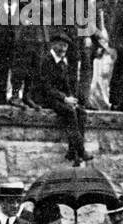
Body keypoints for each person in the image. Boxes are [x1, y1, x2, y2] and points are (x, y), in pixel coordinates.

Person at [30, 29, 93, 164]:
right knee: (69, 112)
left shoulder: (63, 63)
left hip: (59, 98)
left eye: (66, 46)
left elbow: (67, 85)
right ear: (54, 45)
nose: (63, 48)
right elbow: (46, 87)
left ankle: (72, 151)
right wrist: (65, 99)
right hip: (45, 97)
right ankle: (80, 150)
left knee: (80, 112)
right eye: (61, 45)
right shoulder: (46, 60)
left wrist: (72, 99)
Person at [9, 0, 47, 108]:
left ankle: (27, 95)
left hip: (36, 33)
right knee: (21, 65)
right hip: (25, 33)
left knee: (34, 67)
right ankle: (15, 94)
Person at [76, 0, 109, 104]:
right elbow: (82, 21)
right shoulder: (81, 0)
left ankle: (86, 97)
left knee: (90, 70)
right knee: (84, 69)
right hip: (84, 39)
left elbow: (99, 22)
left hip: (94, 41)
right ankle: (83, 99)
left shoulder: (96, 2)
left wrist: (101, 41)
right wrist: (96, 34)